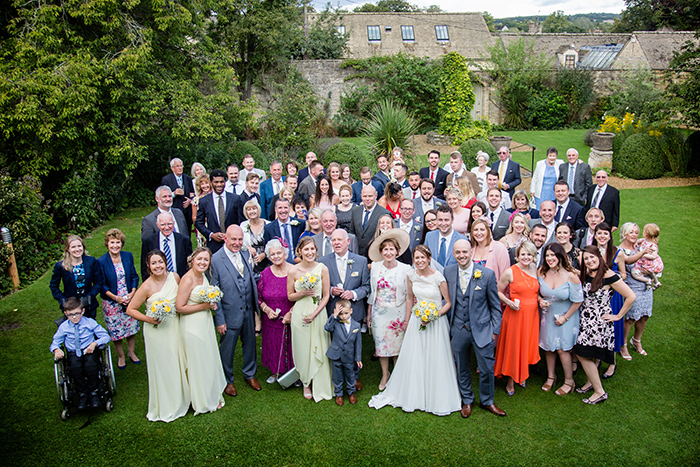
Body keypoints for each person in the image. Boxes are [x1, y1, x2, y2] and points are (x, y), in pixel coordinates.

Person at [368, 245, 461, 416]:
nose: (419, 261)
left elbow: (447, 302)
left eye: (422, 258)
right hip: (416, 320)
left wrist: (433, 315)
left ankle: (435, 395)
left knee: (435, 357)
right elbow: (410, 298)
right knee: (415, 356)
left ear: (429, 258)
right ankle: (414, 393)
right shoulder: (411, 276)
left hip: (435, 322)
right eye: (416, 258)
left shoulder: (439, 278)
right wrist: (408, 319)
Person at [445, 240, 506, 418]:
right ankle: (467, 399)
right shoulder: (448, 271)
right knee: (461, 366)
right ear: (454, 254)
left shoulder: (486, 274)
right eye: (458, 252)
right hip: (458, 327)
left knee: (486, 367)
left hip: (483, 328)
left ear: (471, 252)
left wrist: (495, 331)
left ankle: (487, 401)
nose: (461, 255)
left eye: (464, 251)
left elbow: (495, 306)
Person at [126, 250, 189, 422]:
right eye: (153, 263)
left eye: (160, 262)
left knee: (178, 360)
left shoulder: (174, 277)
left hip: (175, 326)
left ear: (165, 262)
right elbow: (130, 309)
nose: (158, 266)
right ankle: (167, 404)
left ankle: (183, 398)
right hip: (157, 332)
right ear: (148, 266)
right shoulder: (147, 286)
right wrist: (149, 319)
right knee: (163, 366)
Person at [574, 246, 636, 404]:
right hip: (585, 320)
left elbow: (630, 296)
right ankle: (590, 383)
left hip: (598, 323)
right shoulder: (587, 273)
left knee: (582, 353)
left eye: (592, 257)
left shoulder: (609, 275)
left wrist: (618, 316)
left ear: (599, 257)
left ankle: (599, 392)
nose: (589, 261)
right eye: (586, 258)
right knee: (590, 354)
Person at [211, 225, 262, 397]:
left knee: (250, 345)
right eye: (233, 239)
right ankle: (228, 379)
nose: (237, 243)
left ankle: (250, 374)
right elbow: (214, 292)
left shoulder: (246, 254)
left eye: (240, 239)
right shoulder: (216, 260)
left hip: (248, 309)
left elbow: (251, 277)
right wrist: (219, 320)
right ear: (225, 238)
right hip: (229, 312)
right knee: (228, 349)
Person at [175, 247, 226, 414]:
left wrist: (211, 302)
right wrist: (204, 306)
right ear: (192, 260)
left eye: (206, 260)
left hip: (204, 322)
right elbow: (179, 307)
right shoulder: (188, 279)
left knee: (206, 358)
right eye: (200, 259)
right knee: (197, 361)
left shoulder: (203, 275)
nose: (203, 262)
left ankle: (210, 394)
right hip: (191, 325)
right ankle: (201, 400)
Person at [287, 237, 333, 401]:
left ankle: (320, 381)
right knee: (303, 347)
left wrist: (315, 314)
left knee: (319, 347)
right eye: (306, 249)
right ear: (299, 251)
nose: (309, 252)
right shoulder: (293, 270)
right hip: (300, 313)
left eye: (312, 249)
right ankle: (306, 381)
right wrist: (302, 293)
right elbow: (290, 296)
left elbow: (326, 295)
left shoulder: (322, 269)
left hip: (318, 312)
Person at [367, 230, 412, 390]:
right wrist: (369, 314)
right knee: (381, 346)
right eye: (385, 249)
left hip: (398, 313)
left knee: (397, 347)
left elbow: (409, 296)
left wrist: (407, 319)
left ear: (397, 252)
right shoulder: (375, 267)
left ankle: (399, 376)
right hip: (379, 313)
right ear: (381, 252)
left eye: (391, 249)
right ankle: (385, 374)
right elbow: (373, 292)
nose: (388, 252)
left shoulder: (406, 269)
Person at [494, 241, 540, 395]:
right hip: (515, 315)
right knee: (514, 346)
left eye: (529, 254)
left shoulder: (535, 269)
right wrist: (508, 302)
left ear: (533, 256)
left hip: (531, 316)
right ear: (517, 256)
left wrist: (541, 300)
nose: (526, 257)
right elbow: (498, 291)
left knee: (526, 345)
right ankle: (510, 381)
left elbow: (535, 291)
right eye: (523, 254)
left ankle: (522, 375)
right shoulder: (510, 272)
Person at [537, 243, 583, 396]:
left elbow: (578, 300)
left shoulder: (571, 276)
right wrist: (539, 300)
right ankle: (551, 376)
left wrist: (565, 317)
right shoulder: (541, 273)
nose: (550, 258)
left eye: (553, 255)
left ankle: (569, 381)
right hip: (547, 315)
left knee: (562, 349)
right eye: (547, 255)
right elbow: (535, 292)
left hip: (567, 316)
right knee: (549, 347)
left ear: (560, 256)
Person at [51, 297, 111, 410]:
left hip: (89, 350)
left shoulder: (90, 323)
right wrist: (56, 349)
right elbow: (55, 342)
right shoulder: (64, 327)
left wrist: (94, 343)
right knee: (74, 368)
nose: (74, 317)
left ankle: (94, 392)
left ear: (82, 311)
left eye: (77, 313)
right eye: (70, 315)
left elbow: (105, 336)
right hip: (73, 352)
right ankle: (82, 393)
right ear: (65, 313)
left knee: (91, 366)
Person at [97, 229, 140, 370]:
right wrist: (116, 298)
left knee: (130, 328)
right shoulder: (101, 261)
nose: (115, 246)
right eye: (112, 243)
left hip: (128, 299)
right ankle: (121, 356)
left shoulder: (127, 256)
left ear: (122, 244)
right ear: (107, 244)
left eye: (118, 242)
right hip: (112, 301)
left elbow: (134, 276)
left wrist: (133, 292)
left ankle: (131, 352)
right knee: (116, 331)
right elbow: (101, 285)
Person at [257, 240, 295, 384]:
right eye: (272, 254)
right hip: (271, 321)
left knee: (292, 346)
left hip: (290, 318)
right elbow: (259, 297)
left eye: (279, 253)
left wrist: (291, 313)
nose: (276, 256)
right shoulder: (265, 274)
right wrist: (266, 310)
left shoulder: (294, 271)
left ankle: (294, 373)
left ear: (285, 254)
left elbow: (302, 296)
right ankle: (276, 372)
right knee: (273, 345)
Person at [593, 222, 628, 379]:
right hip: (596, 293)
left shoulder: (617, 253)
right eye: (599, 233)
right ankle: (598, 357)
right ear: (595, 235)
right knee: (598, 324)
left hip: (613, 295)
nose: (602, 236)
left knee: (612, 326)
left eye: (605, 234)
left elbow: (624, 274)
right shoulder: (592, 251)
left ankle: (612, 362)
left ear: (609, 236)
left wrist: (615, 280)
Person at [618, 222, 654, 360]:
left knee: (645, 315)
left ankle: (636, 340)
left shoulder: (640, 245)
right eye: (631, 232)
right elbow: (627, 261)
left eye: (636, 232)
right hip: (632, 287)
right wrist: (643, 252)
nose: (634, 235)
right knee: (630, 318)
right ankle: (623, 344)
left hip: (646, 285)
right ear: (624, 234)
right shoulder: (620, 250)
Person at [50, 235, 103, 319]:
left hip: (89, 305)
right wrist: (63, 301)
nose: (77, 249)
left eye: (79, 246)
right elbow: (53, 285)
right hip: (71, 308)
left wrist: (89, 297)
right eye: (73, 247)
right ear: (68, 249)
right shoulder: (61, 266)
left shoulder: (91, 261)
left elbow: (98, 282)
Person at [325, 299, 363, 406]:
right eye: (341, 314)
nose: (343, 316)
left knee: (350, 375)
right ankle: (339, 394)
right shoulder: (335, 322)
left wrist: (358, 358)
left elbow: (358, 344)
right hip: (336, 355)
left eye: (346, 313)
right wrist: (334, 315)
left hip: (349, 356)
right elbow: (327, 328)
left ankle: (351, 393)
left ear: (351, 311)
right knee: (337, 376)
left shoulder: (356, 325)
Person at [195, 169, 241, 253]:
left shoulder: (235, 199)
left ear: (225, 182)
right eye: (216, 182)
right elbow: (198, 222)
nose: (219, 185)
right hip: (214, 244)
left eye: (221, 182)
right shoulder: (204, 201)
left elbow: (241, 221)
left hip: (233, 243)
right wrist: (211, 234)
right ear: (211, 182)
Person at [141, 212, 193, 279]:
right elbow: (144, 267)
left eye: (169, 224)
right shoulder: (149, 241)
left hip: (180, 281)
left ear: (173, 223)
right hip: (157, 283)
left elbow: (189, 264)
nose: (167, 227)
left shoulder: (184, 240)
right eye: (163, 225)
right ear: (157, 225)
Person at [349, 185, 391, 257]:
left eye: (370, 196)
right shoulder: (355, 211)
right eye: (365, 196)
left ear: (376, 196)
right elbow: (351, 232)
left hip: (375, 255)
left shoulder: (384, 213)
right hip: (356, 254)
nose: (367, 199)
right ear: (361, 196)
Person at [263, 198, 307, 264]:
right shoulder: (269, 228)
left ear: (289, 209)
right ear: (275, 209)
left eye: (285, 207)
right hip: (279, 266)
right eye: (280, 208)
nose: (283, 210)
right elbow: (268, 252)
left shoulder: (301, 224)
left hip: (298, 264)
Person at [425, 205, 468, 270]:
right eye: (440, 220)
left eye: (446, 220)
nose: (443, 223)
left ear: (452, 220)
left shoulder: (462, 239)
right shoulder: (429, 236)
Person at [470, 218, 510, 283]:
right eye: (475, 230)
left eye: (482, 230)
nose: (479, 233)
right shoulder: (470, 249)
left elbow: (505, 275)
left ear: (488, 231)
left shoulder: (499, 248)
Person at [161, 157, 195, 233]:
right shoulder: (166, 180)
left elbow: (193, 193)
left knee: (187, 233)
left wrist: (190, 201)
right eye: (177, 166)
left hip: (187, 211)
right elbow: (163, 196)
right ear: (172, 168)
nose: (180, 168)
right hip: (174, 210)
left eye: (181, 166)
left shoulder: (188, 178)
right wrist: (174, 193)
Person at [630, 223, 664, 289]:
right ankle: (656, 283)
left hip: (648, 263)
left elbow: (654, 256)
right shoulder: (645, 240)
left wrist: (643, 254)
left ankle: (648, 281)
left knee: (634, 273)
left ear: (646, 234)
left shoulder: (653, 246)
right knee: (650, 273)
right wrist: (637, 242)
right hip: (644, 262)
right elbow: (640, 240)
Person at [192, 174, 212, 247]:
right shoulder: (196, 199)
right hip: (202, 226)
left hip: (213, 226)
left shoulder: (215, 197)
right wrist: (202, 218)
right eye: (202, 184)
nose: (205, 186)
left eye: (206, 183)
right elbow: (194, 217)